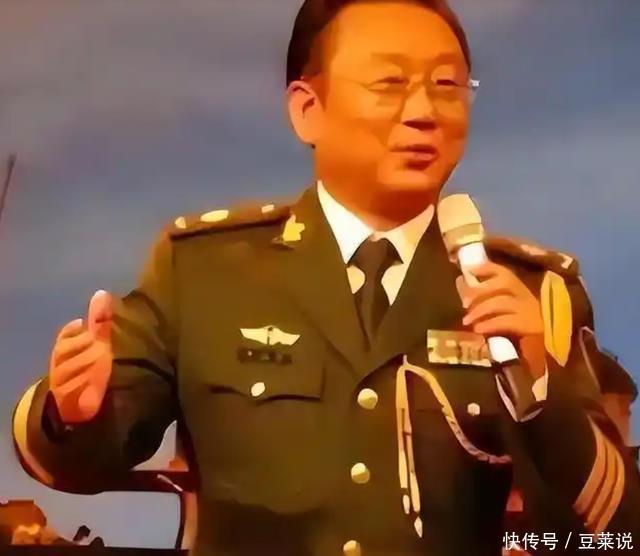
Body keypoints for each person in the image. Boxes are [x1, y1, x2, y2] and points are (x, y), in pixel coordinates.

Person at [12, 1, 640, 555]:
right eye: (390, 83)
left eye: (447, 85)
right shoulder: (203, 273)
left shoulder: (534, 293)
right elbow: (66, 464)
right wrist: (72, 413)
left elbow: (613, 535)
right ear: (307, 109)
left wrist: (542, 392)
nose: (424, 111)